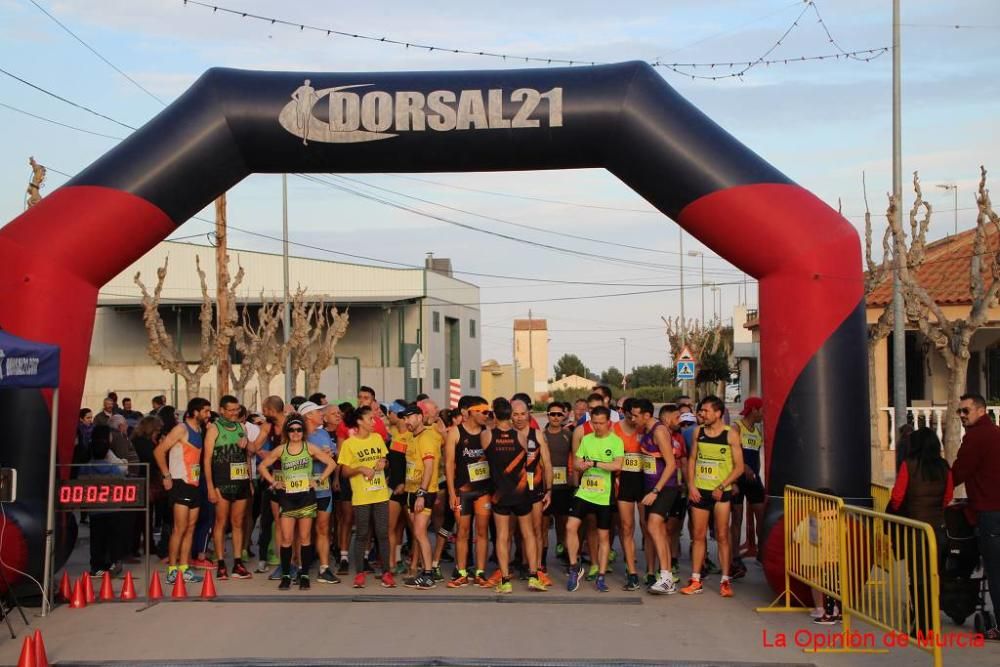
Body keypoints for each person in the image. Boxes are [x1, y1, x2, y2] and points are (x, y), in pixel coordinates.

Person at [257, 413, 336, 590]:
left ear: (303, 432)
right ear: (287, 431)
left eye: (299, 430)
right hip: (287, 497)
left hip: (306, 497)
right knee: (286, 538)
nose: (295, 433)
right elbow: (262, 466)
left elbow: (331, 463)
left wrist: (319, 480)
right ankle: (286, 575)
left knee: (305, 538)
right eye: (292, 430)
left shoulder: (309, 447)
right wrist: (274, 482)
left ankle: (305, 574)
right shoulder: (281, 449)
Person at [888, 427, 953, 634]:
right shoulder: (944, 467)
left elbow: (897, 497)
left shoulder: (909, 465)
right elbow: (948, 496)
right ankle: (933, 619)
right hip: (938, 530)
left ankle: (922, 624)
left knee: (917, 578)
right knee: (935, 576)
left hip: (914, 530)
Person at [681, 396, 744, 598]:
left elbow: (740, 467)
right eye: (701, 411)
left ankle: (725, 580)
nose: (702, 414)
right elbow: (692, 459)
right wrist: (691, 485)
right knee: (698, 537)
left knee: (722, 536)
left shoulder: (731, 434)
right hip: (700, 490)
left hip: (720, 492)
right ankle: (696, 579)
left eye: (706, 411)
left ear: (718, 413)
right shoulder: (698, 432)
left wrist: (723, 485)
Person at [480, 398, 545, 593]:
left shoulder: (487, 436)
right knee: (528, 534)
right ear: (510, 414)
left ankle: (505, 580)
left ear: (494, 414)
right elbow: (529, 460)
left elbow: (483, 457)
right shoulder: (520, 436)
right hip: (521, 493)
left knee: (502, 536)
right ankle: (534, 576)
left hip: (500, 494)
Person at [952, 392, 1000, 641]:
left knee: (996, 570)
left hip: (990, 513)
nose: (961, 415)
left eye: (965, 411)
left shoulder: (976, 438)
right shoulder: (996, 433)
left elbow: (959, 471)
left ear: (981, 411)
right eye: (959, 411)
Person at [153, 397, 212, 585]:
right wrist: (166, 475)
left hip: (194, 483)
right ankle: (172, 570)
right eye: (205, 411)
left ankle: (185, 568)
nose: (208, 415)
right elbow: (159, 451)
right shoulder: (181, 429)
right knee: (179, 528)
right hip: (180, 483)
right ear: (195, 412)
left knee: (190, 528)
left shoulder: (200, 429)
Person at [565, 406, 623, 593]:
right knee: (570, 527)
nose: (597, 427)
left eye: (600, 423)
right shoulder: (587, 439)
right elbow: (576, 462)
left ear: (608, 422)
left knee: (603, 536)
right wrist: (580, 466)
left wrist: (596, 463)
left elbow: (617, 465)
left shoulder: (615, 441)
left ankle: (601, 576)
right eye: (594, 423)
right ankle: (575, 567)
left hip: (603, 497)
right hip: (585, 492)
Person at [337, 405, 393, 588]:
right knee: (361, 534)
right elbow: (344, 471)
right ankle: (360, 573)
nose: (374, 422)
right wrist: (361, 468)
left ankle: (386, 572)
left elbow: (385, 460)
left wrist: (383, 463)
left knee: (382, 534)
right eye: (370, 419)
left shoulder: (377, 438)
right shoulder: (349, 444)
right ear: (360, 421)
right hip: (361, 496)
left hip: (380, 494)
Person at [203, 395, 253, 581]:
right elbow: (207, 459)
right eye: (230, 410)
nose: (234, 413)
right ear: (222, 410)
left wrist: (249, 480)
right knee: (221, 523)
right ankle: (222, 563)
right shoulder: (214, 429)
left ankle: (238, 562)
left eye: (237, 410)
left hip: (240, 481)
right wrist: (210, 486)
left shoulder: (241, 427)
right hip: (221, 482)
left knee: (238, 522)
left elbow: (248, 454)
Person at [444, 396, 493, 588]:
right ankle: (462, 572)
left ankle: (480, 572)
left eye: (488, 412)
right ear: (471, 411)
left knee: (482, 532)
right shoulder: (455, 432)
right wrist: (450, 493)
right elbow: (448, 464)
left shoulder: (487, 432)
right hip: (462, 491)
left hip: (483, 491)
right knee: (462, 532)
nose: (486, 415)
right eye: (483, 412)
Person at [634, 398, 678, 595]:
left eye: (636, 416)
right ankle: (667, 578)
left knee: (653, 525)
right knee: (657, 529)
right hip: (650, 487)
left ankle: (666, 576)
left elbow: (671, 464)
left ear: (646, 415)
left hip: (664, 487)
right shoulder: (644, 431)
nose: (632, 419)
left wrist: (655, 491)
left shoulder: (659, 431)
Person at [297, 401, 340, 584]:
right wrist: (315, 454)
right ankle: (301, 568)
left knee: (323, 528)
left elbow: (335, 455)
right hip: (303, 488)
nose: (322, 414)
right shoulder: (298, 434)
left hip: (323, 488)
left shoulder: (323, 433)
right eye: (318, 412)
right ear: (308, 415)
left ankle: (324, 568)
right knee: (303, 532)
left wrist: (330, 452)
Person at [400, 403, 442, 589]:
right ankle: (424, 572)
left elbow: (430, 467)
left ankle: (428, 574)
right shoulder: (411, 437)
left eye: (409, 417)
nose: (407, 421)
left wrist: (422, 494)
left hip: (424, 492)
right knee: (417, 533)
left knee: (419, 532)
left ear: (419, 416)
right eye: (405, 418)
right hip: (411, 490)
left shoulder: (426, 438)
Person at [513, 398, 553, 588]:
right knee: (515, 532)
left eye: (522, 414)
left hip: (534, 489)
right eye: (515, 414)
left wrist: (549, 490)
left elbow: (547, 464)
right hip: (512, 490)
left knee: (536, 530)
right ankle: (521, 563)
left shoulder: (536, 435)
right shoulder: (506, 434)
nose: (519, 418)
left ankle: (535, 568)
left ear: (528, 413)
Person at [81, 425, 127, 576]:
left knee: (97, 539)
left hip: (95, 509)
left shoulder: (86, 468)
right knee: (114, 538)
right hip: (114, 508)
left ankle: (97, 566)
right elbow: (122, 478)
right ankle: (114, 563)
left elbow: (80, 482)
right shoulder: (114, 469)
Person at [731, 396, 765, 574]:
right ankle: (734, 558)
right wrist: (743, 467)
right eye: (761, 410)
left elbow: (757, 456)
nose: (763, 414)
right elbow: (730, 451)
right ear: (754, 410)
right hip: (738, 478)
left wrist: (755, 473)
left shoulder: (757, 431)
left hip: (753, 480)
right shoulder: (737, 427)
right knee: (737, 518)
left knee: (762, 515)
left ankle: (763, 552)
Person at [613, 397, 644, 591]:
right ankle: (631, 572)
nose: (634, 419)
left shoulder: (646, 428)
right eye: (630, 414)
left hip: (643, 482)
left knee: (648, 526)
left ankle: (651, 570)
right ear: (623, 412)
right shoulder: (614, 429)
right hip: (622, 482)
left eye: (637, 415)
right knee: (626, 527)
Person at [542, 401, 574, 569]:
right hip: (545, 488)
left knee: (564, 524)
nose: (555, 417)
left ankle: (566, 554)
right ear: (547, 416)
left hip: (564, 488)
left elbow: (575, 457)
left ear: (564, 416)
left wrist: (572, 477)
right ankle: (542, 562)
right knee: (543, 525)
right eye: (552, 414)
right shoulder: (541, 435)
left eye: (559, 414)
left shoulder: (568, 435)